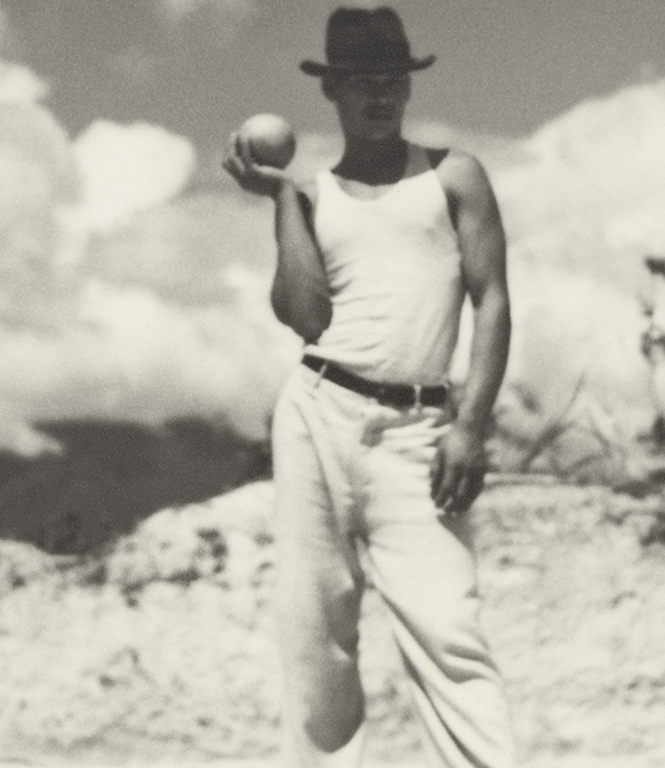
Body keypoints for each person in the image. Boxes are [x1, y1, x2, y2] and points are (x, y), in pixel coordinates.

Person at [222, 6, 516, 768]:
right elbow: (304, 316)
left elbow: (493, 301)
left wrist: (472, 426)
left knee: (450, 628)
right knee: (315, 636)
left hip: (420, 429)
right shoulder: (315, 197)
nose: (379, 98)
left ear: (407, 88)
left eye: (391, 83)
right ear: (334, 94)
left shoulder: (454, 175)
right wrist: (284, 202)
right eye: (361, 85)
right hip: (317, 412)